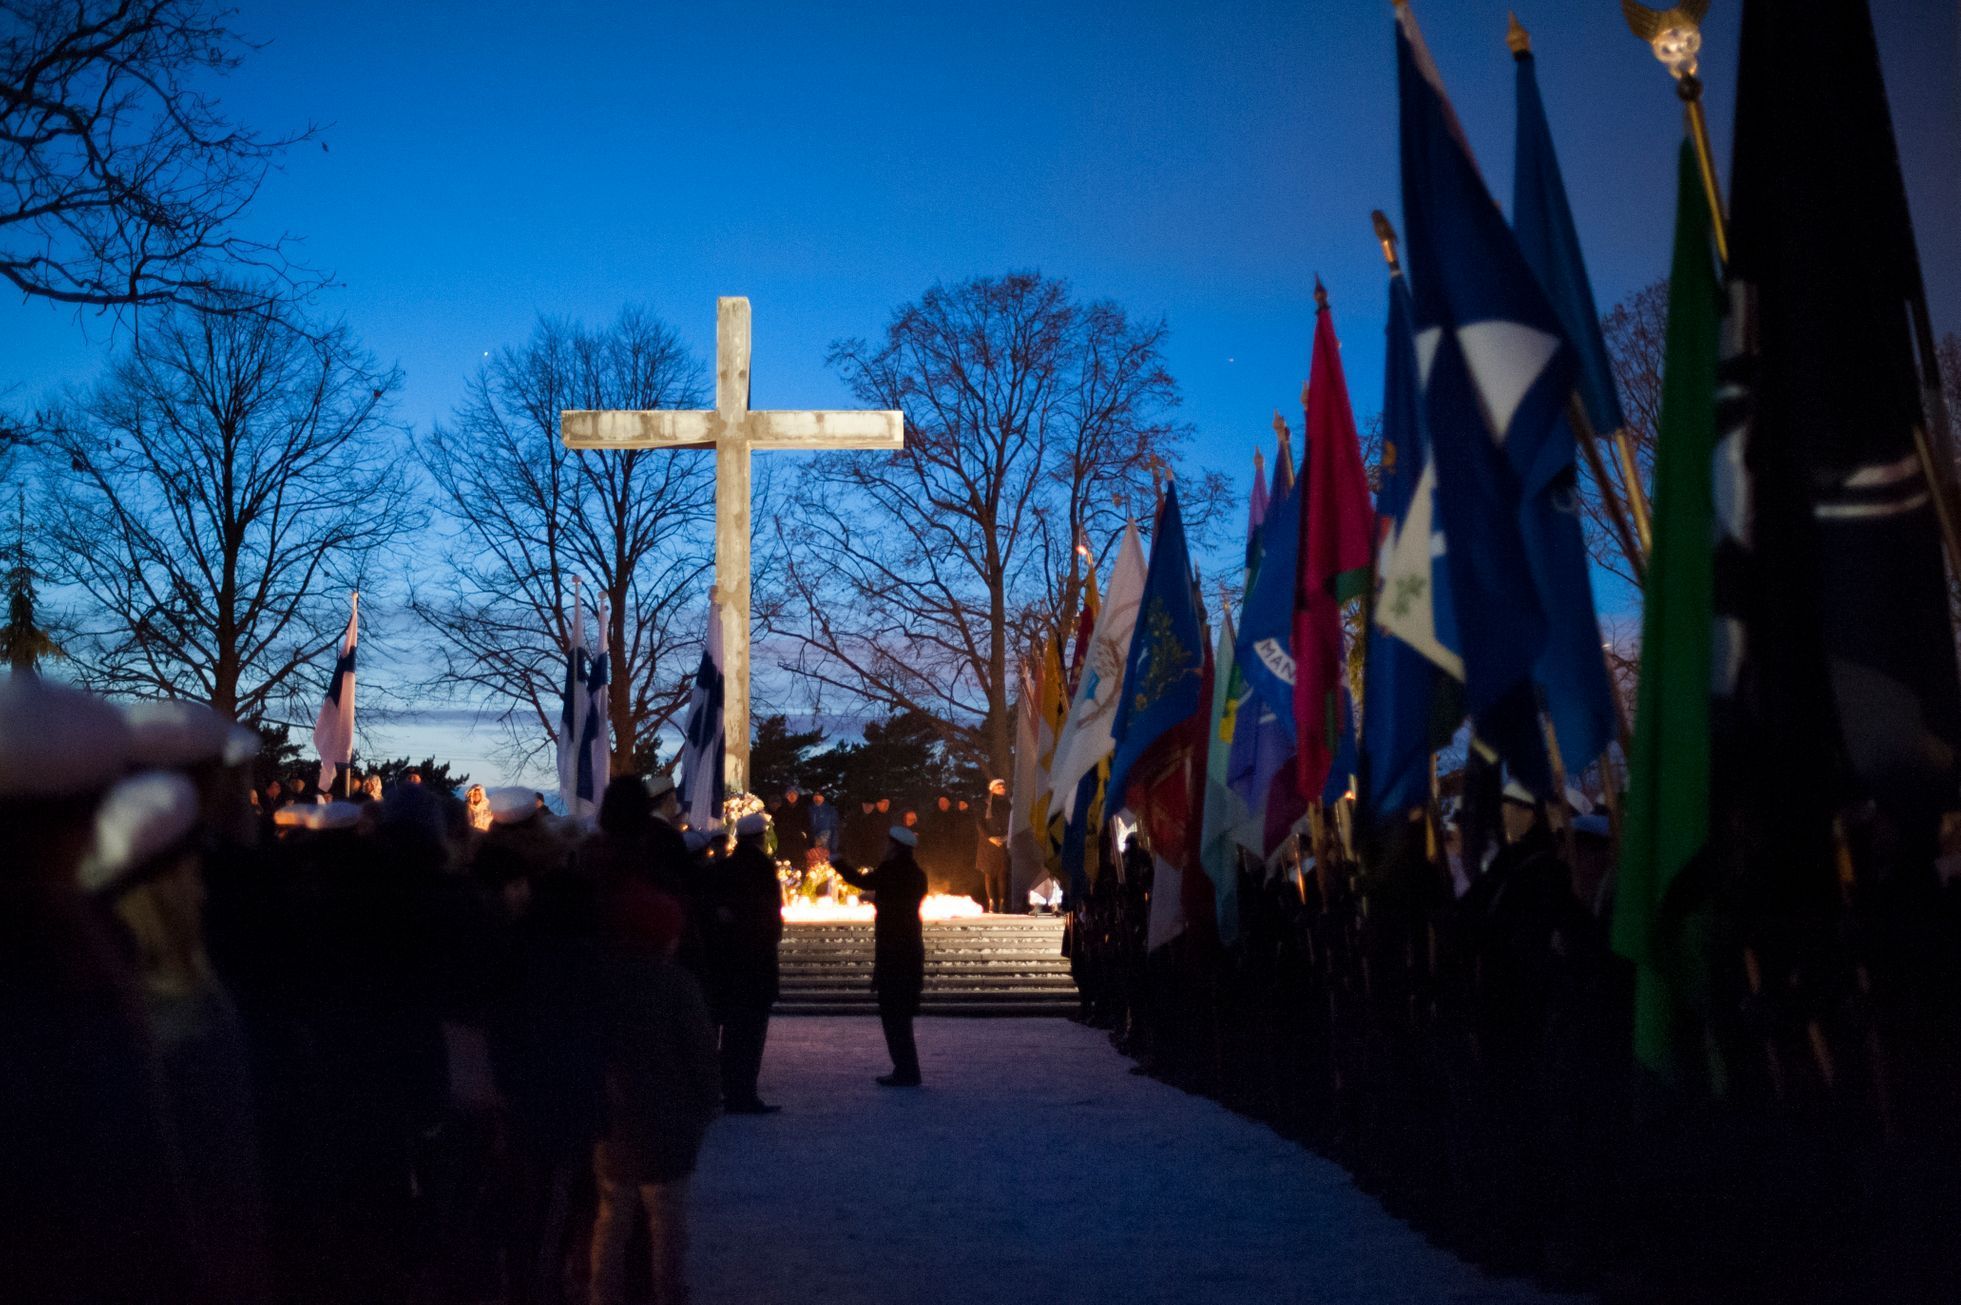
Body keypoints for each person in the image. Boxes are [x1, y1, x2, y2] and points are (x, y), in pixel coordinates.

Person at [588, 886, 719, 1305]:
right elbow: (700, 1051)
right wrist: (706, 1102)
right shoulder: (676, 986)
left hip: (614, 1119)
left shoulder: (604, 983)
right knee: (668, 1227)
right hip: (668, 1122)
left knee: (611, 1221)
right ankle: (669, 1295)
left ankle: (602, 1295)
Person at [832, 826, 929, 1086]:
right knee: (902, 1016)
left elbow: (862, 881)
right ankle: (908, 1069)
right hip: (910, 949)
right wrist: (879, 900)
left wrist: (837, 862)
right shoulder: (917, 874)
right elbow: (901, 900)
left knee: (893, 1016)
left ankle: (906, 1071)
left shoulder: (891, 870)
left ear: (895, 846)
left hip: (893, 952)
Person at [707, 812, 782, 1113]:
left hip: (728, 963)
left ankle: (726, 1087)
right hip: (757, 963)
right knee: (750, 1034)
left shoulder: (723, 867)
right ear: (761, 838)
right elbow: (770, 913)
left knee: (731, 1031)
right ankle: (744, 1093)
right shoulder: (763, 868)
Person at [979, 778, 1010, 913]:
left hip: (1004, 842)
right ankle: (992, 902)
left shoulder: (1009, 804)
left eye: (1003, 786)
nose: (1002, 788)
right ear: (992, 789)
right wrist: (990, 838)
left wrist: (1007, 837)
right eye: (998, 787)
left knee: (1002, 873)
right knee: (989, 873)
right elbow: (979, 823)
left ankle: (1003, 902)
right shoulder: (985, 804)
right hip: (988, 843)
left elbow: (1013, 821)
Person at [775, 786, 811, 867]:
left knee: (798, 865)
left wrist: (804, 835)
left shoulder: (803, 809)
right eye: (789, 794)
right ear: (786, 796)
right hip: (784, 843)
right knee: (784, 866)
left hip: (798, 843)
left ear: (797, 795)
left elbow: (807, 826)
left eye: (794, 794)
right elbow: (777, 826)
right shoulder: (781, 809)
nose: (792, 796)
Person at [807, 791, 839, 863]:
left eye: (820, 796)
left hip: (826, 842)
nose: (817, 798)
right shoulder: (809, 810)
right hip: (812, 842)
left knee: (825, 863)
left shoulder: (830, 810)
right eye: (815, 796)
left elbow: (835, 828)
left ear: (823, 797)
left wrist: (833, 847)